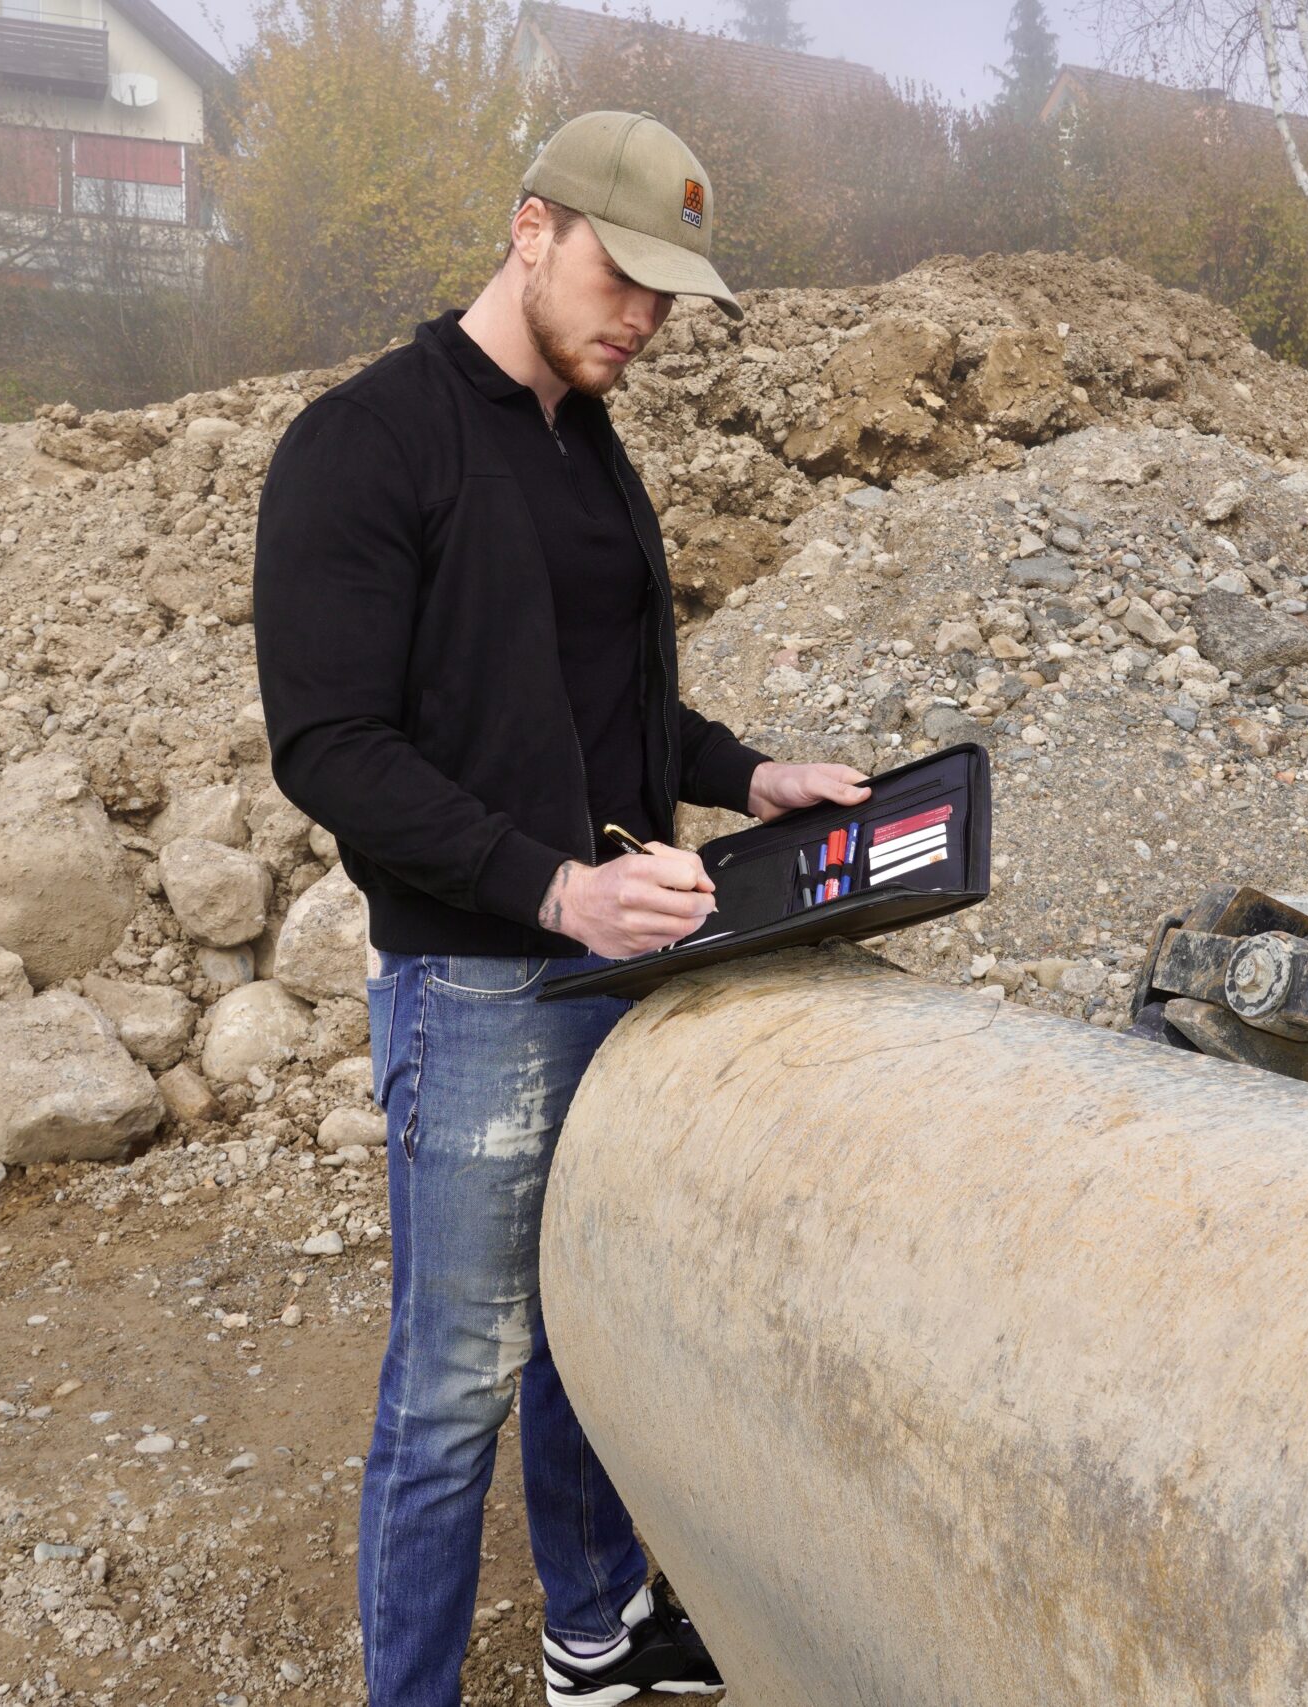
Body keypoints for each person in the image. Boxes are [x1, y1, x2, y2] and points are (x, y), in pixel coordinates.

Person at [251, 111, 870, 1707]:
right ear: (532, 230)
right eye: (622, 276)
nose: (644, 320)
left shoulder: (582, 443)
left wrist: (752, 775)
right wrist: (555, 889)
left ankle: (591, 1638)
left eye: (669, 294)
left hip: (623, 954)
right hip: (480, 990)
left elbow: (598, 709)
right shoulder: (364, 443)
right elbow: (330, 747)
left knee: (596, 1338)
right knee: (457, 1384)